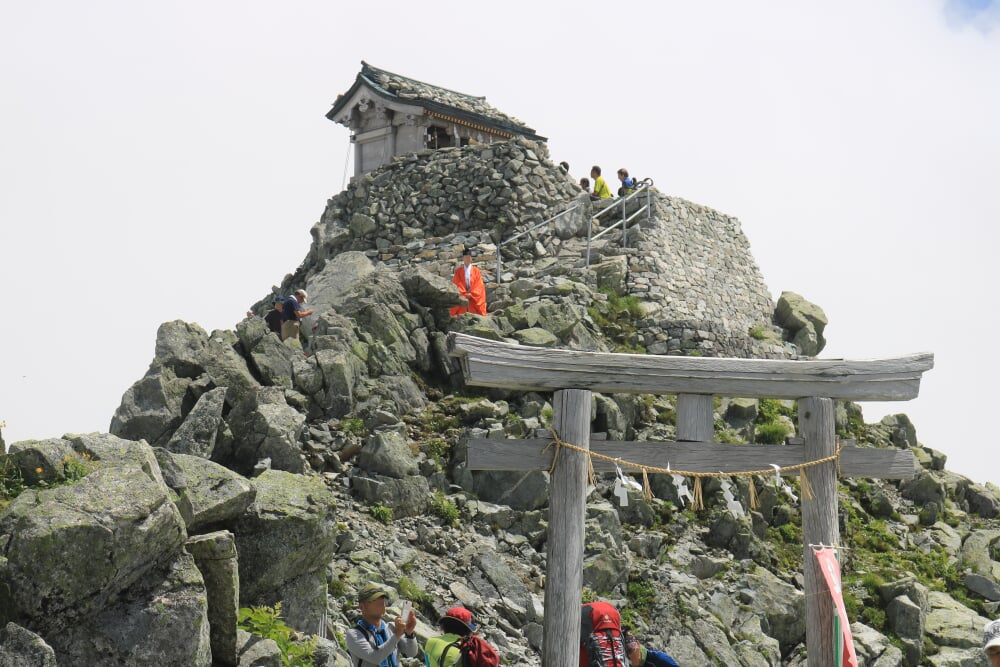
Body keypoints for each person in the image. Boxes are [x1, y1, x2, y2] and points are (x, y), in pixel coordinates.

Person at [346, 583, 418, 667]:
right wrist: (397, 635)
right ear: (362, 607)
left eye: (382, 598)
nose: (381, 602)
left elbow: (411, 653)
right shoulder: (354, 634)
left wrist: (410, 633)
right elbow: (374, 657)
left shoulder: (391, 627)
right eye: (375, 599)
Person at [450, 245, 487, 317]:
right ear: (463, 258)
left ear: (471, 258)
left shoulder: (476, 271)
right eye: (465, 257)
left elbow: (479, 285)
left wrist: (472, 294)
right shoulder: (458, 272)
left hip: (473, 297)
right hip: (463, 295)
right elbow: (457, 284)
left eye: (468, 257)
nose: (467, 259)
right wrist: (463, 294)